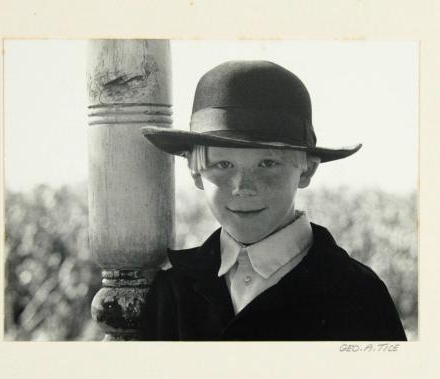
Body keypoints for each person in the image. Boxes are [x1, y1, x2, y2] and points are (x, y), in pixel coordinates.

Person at [139, 60, 407, 341]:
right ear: (196, 174)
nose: (243, 188)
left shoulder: (357, 293)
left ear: (307, 170)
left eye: (267, 163)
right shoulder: (174, 289)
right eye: (223, 165)